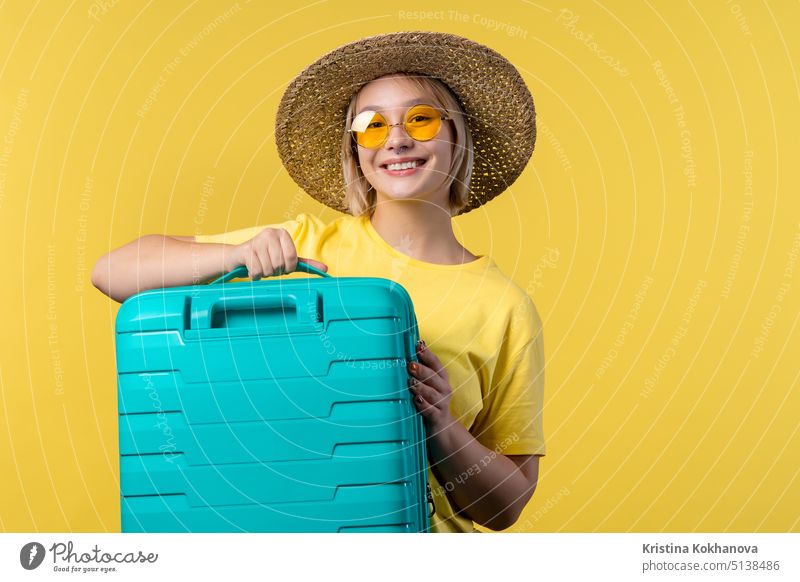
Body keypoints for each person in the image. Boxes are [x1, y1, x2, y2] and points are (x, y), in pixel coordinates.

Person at [92, 31, 545, 533]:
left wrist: (442, 422)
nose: (396, 139)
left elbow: (506, 509)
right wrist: (236, 255)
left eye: (421, 119)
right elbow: (111, 272)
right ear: (356, 151)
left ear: (456, 137)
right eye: (371, 125)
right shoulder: (303, 248)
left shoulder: (502, 306)